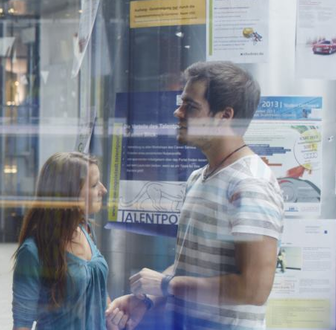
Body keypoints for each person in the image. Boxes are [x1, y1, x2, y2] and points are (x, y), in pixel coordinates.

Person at [109, 61, 284, 329]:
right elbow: (187, 270)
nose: (178, 112)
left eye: (190, 106)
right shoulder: (198, 177)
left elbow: (254, 289)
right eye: (182, 103)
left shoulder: (249, 184)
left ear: (225, 116)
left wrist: (167, 284)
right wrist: (147, 300)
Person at [12, 152, 122, 330]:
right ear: (70, 193)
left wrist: (113, 315)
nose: (103, 190)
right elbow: (22, 325)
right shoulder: (33, 251)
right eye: (94, 185)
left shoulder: (85, 230)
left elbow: (97, 293)